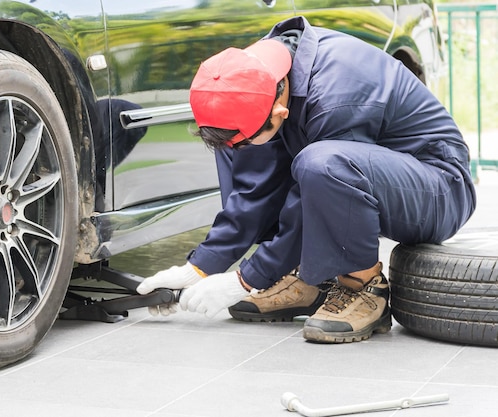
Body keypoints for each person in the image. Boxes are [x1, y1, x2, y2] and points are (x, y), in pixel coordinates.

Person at [136, 16, 476, 343]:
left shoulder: (337, 95)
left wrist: (244, 280)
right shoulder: (258, 75)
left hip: (438, 188)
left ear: (279, 111)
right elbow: (257, 188)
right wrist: (198, 268)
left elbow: (313, 202)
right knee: (242, 145)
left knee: (320, 164)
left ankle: (363, 287)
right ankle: (310, 281)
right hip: (373, 176)